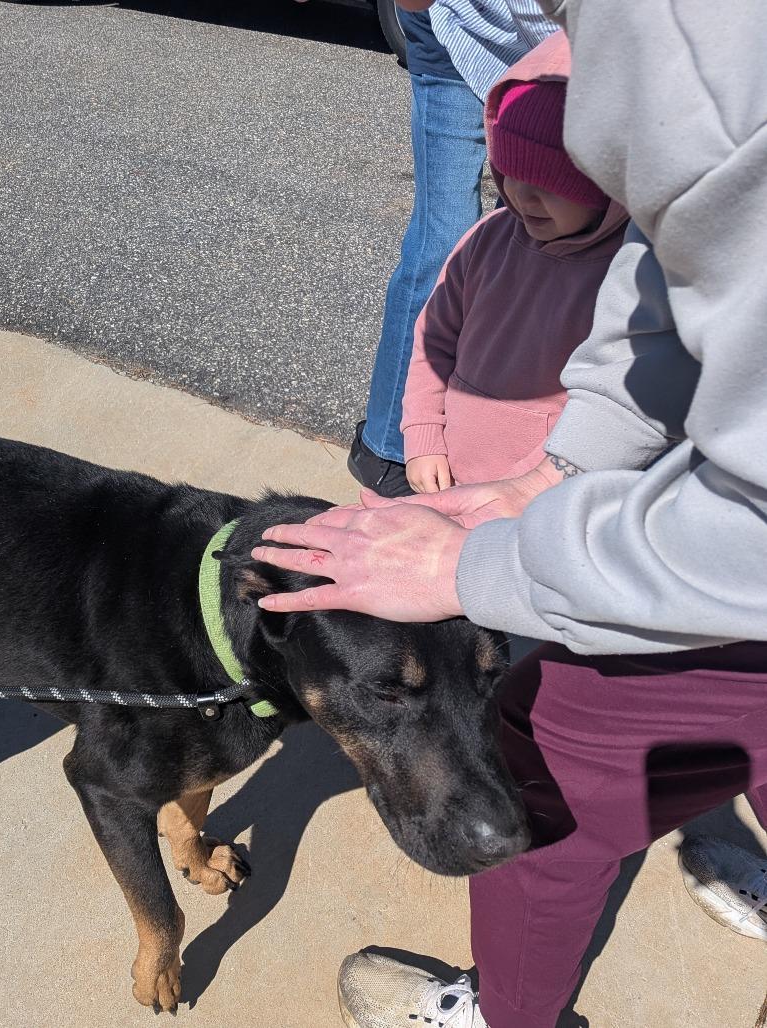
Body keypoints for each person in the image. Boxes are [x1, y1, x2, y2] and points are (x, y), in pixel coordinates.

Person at [252, 0, 767, 1025]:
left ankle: (512, 1014)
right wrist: (546, 476)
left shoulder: (684, 40)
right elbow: (673, 279)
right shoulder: (640, 71)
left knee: (548, 800)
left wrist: (486, 567)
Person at [399, 30, 626, 496]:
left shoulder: (626, 278)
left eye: (551, 180)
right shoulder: (487, 239)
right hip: (450, 470)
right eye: (511, 170)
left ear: (611, 179)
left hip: (547, 497)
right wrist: (423, 435)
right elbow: (433, 339)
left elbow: (614, 410)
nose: (523, 196)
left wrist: (528, 487)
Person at [350, 0, 556, 498]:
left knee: (585, 257)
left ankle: (540, 451)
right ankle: (387, 446)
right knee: (444, 243)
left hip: (579, 56)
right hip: (460, 42)